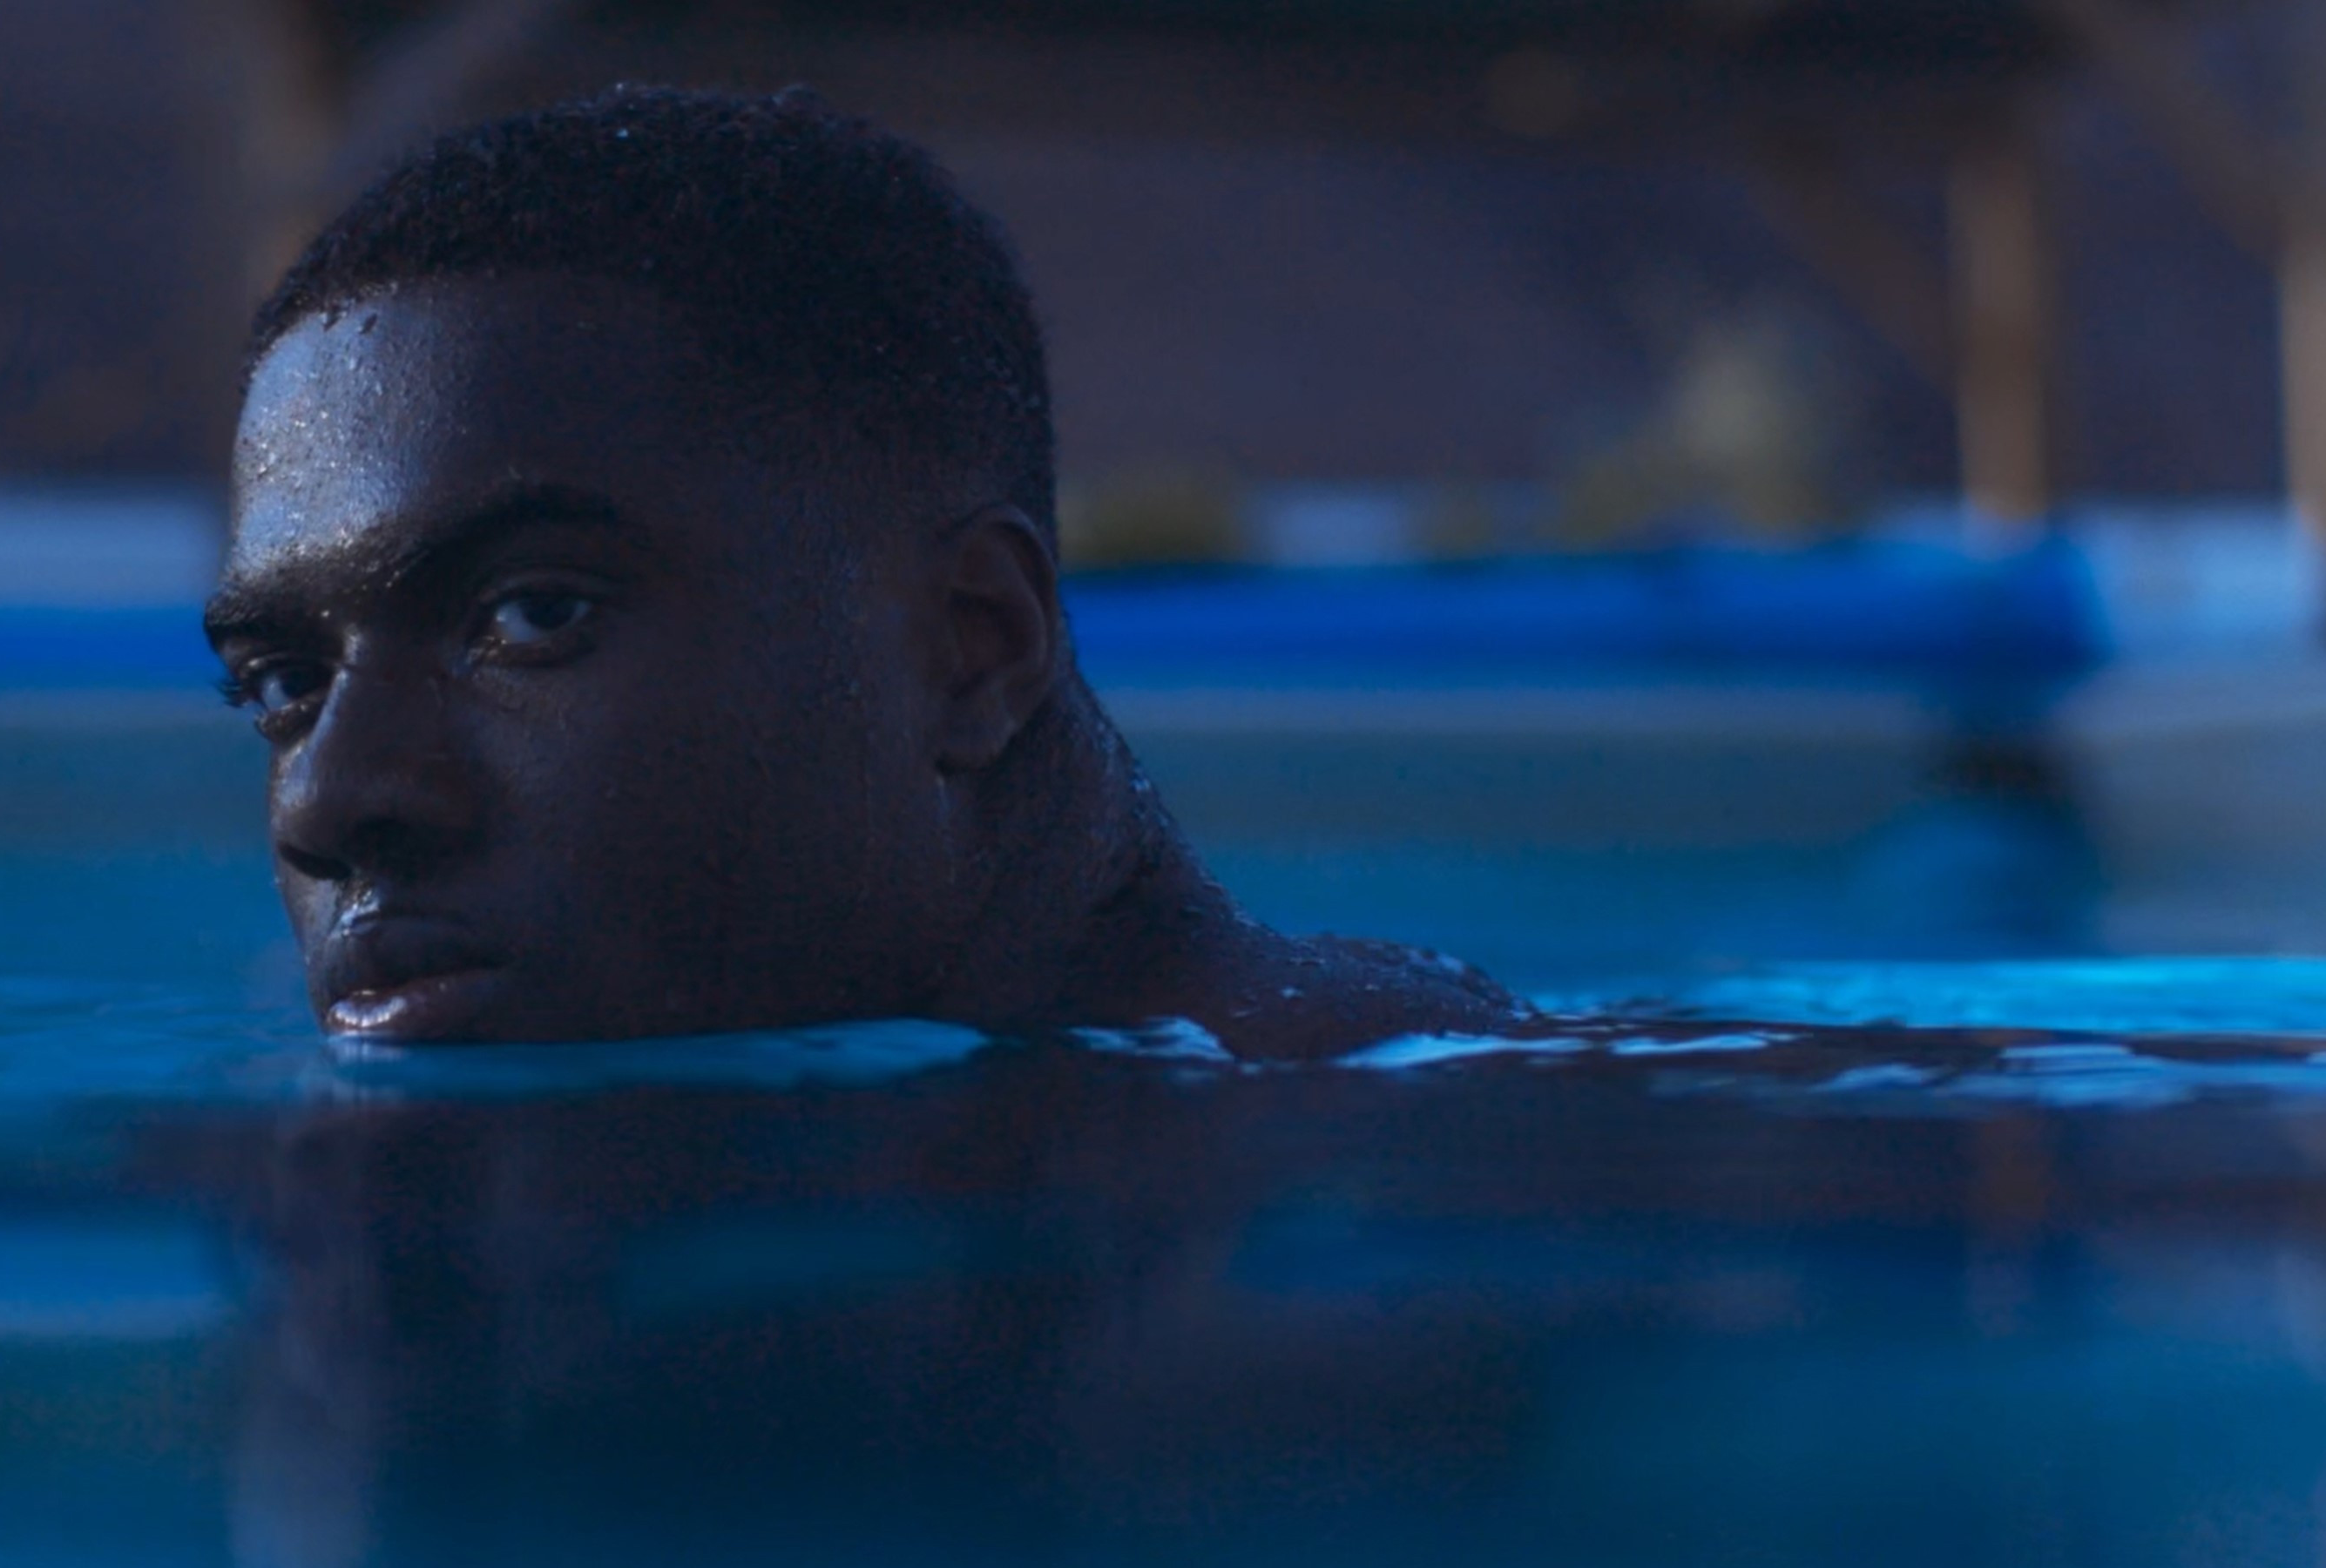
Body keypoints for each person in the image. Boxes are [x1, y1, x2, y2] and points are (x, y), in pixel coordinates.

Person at [207, 85, 1517, 1057]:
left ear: (973, 646)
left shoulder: (1421, 1206)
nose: (329, 803)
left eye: (533, 614)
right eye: (283, 683)